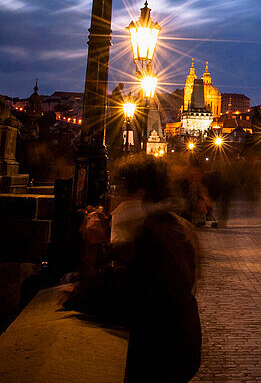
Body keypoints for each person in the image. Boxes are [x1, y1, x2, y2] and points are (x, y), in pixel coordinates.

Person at [65, 153, 202, 382]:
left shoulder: (150, 235)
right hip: (179, 347)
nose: (111, 195)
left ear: (138, 193)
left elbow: (116, 298)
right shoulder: (167, 224)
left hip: (160, 355)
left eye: (118, 187)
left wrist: (92, 246)